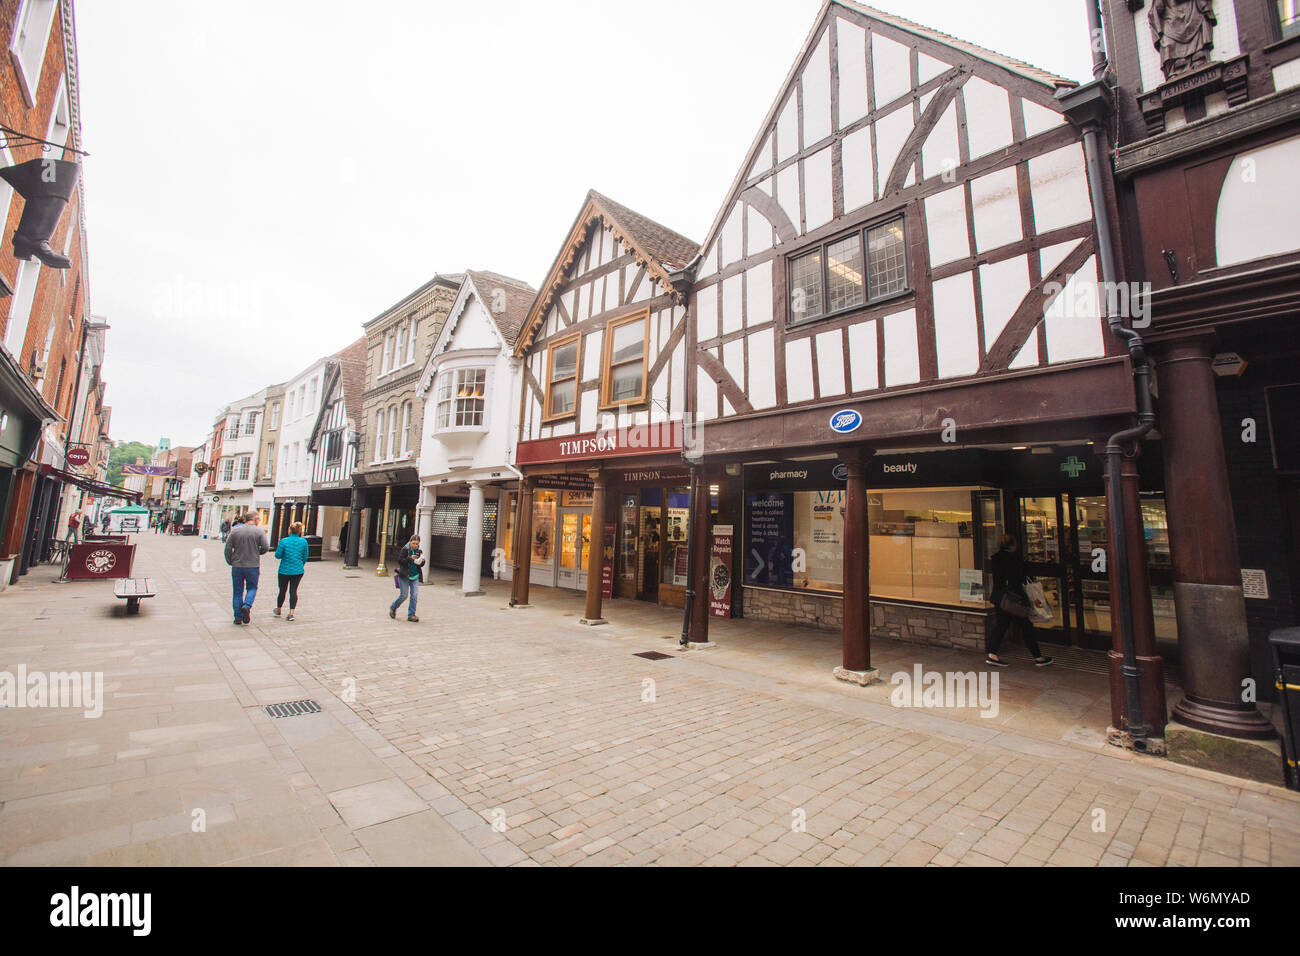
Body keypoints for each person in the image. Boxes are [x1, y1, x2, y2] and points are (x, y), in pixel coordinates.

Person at [986, 533, 1054, 668]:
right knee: (1026, 626)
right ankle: (1038, 657)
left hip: (1000, 597)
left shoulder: (995, 558)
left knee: (1002, 625)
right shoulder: (1015, 559)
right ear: (1012, 545)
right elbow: (1021, 577)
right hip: (1014, 599)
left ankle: (992, 654)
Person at [224, 510, 269, 626]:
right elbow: (265, 547)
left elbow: (228, 548)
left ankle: (238, 618)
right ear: (254, 519)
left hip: (237, 565)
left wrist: (230, 560)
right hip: (253, 565)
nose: (259, 521)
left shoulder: (235, 531)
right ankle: (247, 605)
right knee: (252, 588)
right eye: (258, 519)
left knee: (237, 591)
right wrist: (256, 552)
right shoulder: (259, 531)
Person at [273, 521, 309, 621]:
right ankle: (291, 613)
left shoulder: (284, 541)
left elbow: (277, 555)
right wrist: (300, 564)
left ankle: (279, 609)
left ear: (290, 530)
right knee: (293, 591)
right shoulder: (304, 542)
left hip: (284, 570)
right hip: (298, 570)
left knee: (282, 590)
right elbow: (305, 556)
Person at [389, 535, 425, 623]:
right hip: (405, 576)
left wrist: (423, 561)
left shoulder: (419, 551)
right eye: (413, 543)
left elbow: (419, 564)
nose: (415, 545)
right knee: (404, 595)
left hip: (415, 576)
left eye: (417, 544)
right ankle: (393, 607)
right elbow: (400, 561)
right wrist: (410, 558)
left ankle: (411, 614)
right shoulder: (405, 549)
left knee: (414, 596)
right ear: (410, 542)